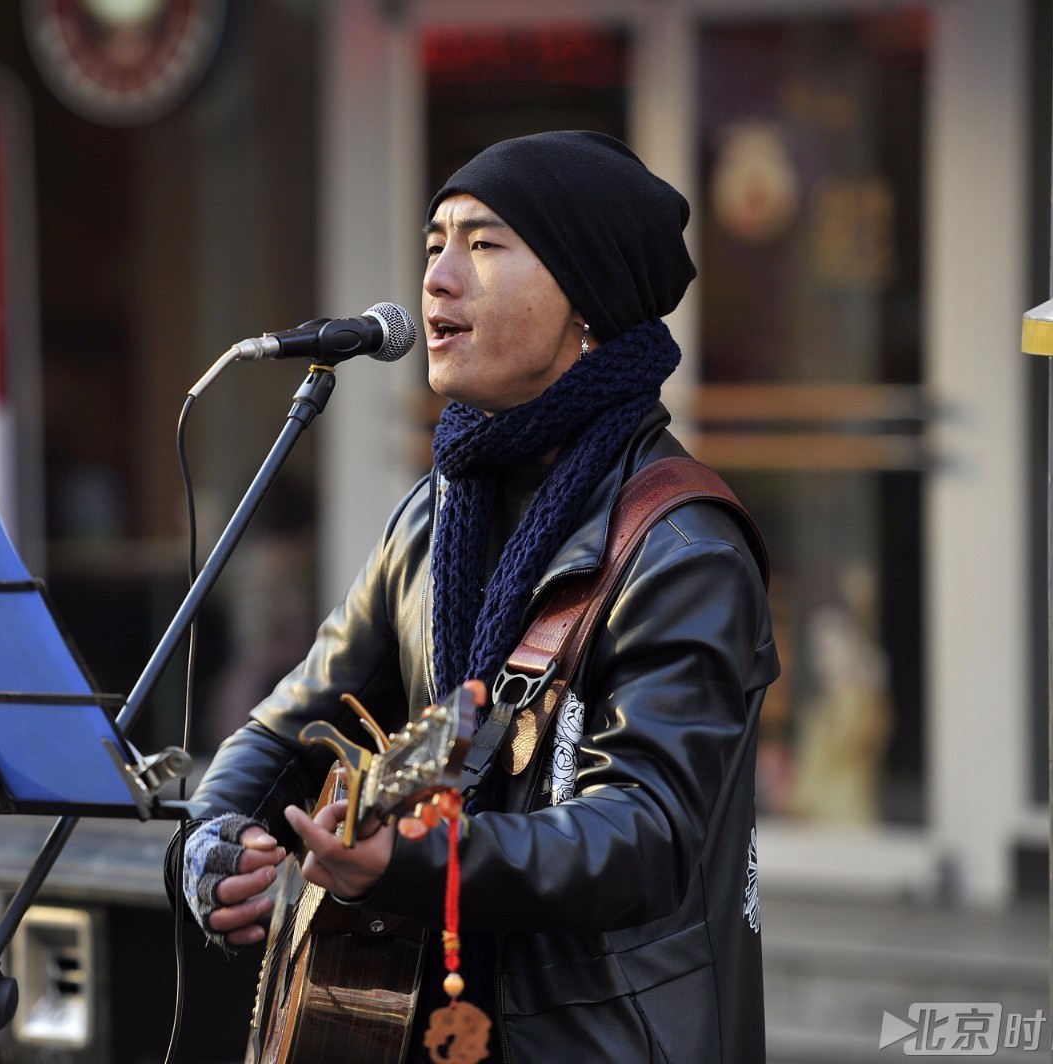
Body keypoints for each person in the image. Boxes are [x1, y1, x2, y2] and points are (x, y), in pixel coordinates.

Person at [170, 131, 778, 1063]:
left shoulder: (681, 544)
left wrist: (413, 864)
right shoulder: (433, 518)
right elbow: (284, 728)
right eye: (433, 245)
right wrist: (213, 839)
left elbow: (646, 832)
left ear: (587, 296)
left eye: (484, 245)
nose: (438, 279)